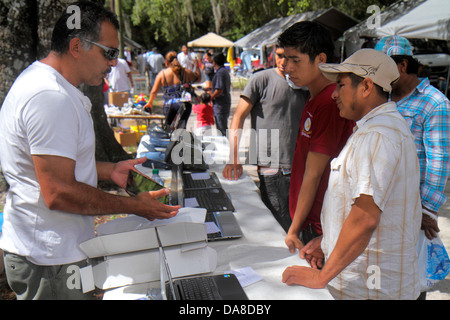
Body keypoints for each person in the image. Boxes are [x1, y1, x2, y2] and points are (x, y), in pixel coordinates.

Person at [0, 1, 180, 300]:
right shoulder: (50, 97)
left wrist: (109, 170)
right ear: (76, 46)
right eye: (109, 52)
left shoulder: (50, 87)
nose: (113, 63)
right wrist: (136, 206)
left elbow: (54, 165)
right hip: (50, 257)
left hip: (54, 250)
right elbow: (58, 191)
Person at [282, 48, 423, 300]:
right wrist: (330, 242)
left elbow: (365, 217)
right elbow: (374, 210)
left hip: (371, 289)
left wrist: (321, 276)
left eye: (341, 85)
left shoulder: (376, 136)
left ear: (366, 86)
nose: (334, 94)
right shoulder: (380, 130)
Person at [375, 35, 450, 299]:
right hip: (380, 207)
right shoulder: (381, 98)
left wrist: (427, 210)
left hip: (413, 213)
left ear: (403, 66)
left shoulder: (434, 103)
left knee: (409, 282)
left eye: (381, 68)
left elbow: (439, 161)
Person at [277, 21, 354, 251]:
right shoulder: (314, 96)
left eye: (295, 60)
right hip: (311, 219)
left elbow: (314, 172)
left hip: (320, 225)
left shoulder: (329, 101)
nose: (287, 67)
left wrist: (294, 228)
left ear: (320, 59)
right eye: (285, 58)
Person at [222, 45, 309, 232]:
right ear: (273, 55)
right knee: (279, 222)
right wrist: (234, 158)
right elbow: (238, 116)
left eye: (290, 57)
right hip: (270, 163)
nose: (283, 61)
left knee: (297, 223)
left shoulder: (304, 83)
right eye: (279, 56)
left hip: (300, 164)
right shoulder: (261, 79)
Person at [143, 51, 200, 115]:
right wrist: (197, 66)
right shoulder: (185, 72)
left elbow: (154, 91)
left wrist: (150, 102)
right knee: (182, 124)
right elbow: (198, 79)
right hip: (184, 105)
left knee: (168, 124)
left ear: (166, 62)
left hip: (169, 105)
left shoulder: (162, 74)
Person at [211, 53, 231, 136]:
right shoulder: (224, 71)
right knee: (222, 127)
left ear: (214, 62)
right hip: (224, 103)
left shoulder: (220, 73)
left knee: (221, 128)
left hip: (221, 104)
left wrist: (210, 97)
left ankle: (225, 146)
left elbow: (219, 90)